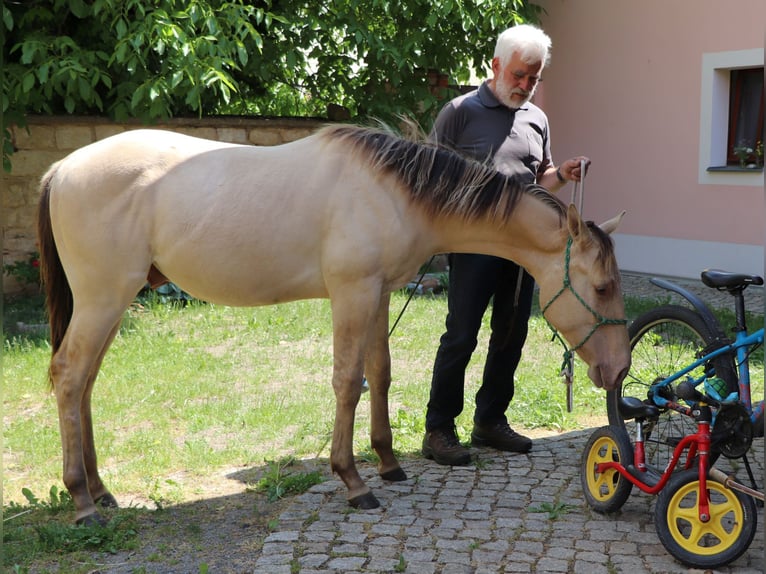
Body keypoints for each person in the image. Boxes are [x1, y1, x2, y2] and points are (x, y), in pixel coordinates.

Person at [422, 24, 590, 466]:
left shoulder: (537, 118)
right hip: (474, 244)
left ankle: (490, 421)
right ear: (495, 66)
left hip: (524, 249)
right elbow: (425, 182)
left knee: (511, 335)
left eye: (533, 78)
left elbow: (541, 181)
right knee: (461, 335)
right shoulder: (458, 112)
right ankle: (439, 428)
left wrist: (565, 174)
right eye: (518, 75)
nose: (524, 86)